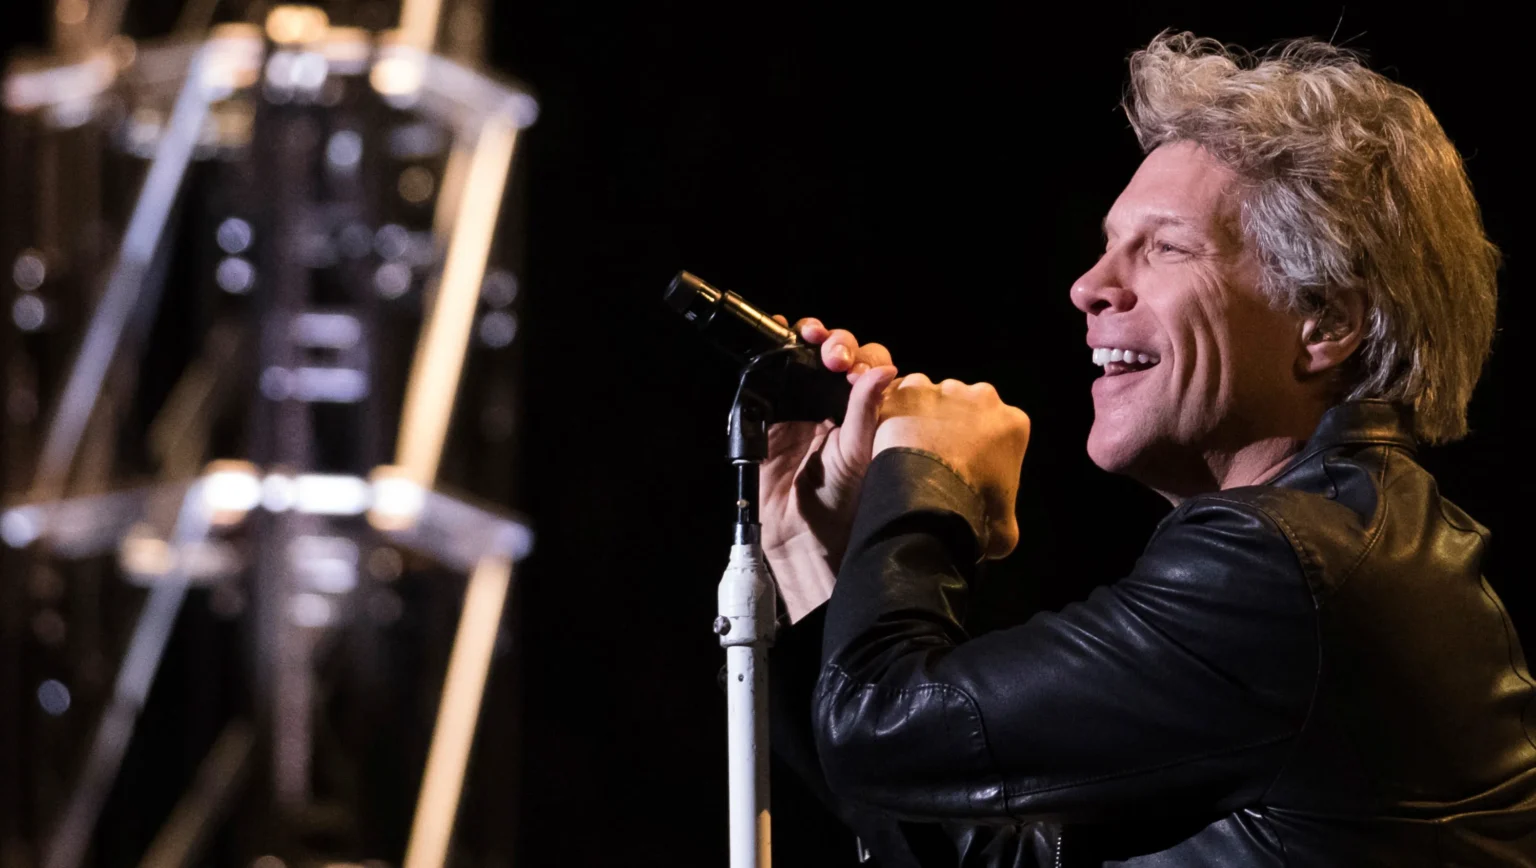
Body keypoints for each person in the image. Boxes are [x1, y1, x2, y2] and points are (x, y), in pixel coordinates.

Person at [760, 32, 1536, 867]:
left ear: (1326, 323)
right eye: (1107, 245)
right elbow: (975, 840)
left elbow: (879, 730)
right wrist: (805, 547)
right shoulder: (1332, 554)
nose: (1088, 286)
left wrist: (926, 475)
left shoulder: (1286, 570)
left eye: (1164, 247)